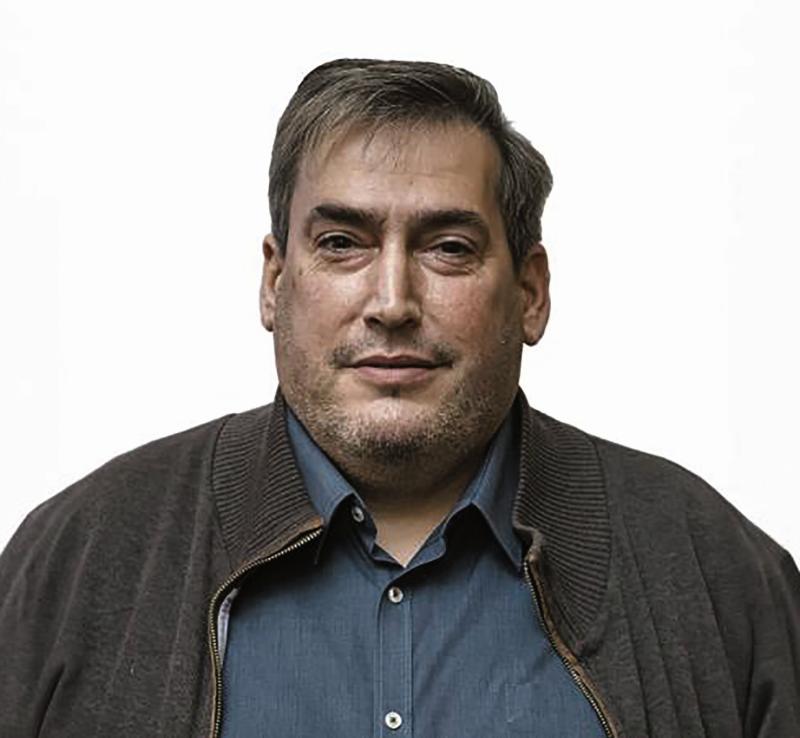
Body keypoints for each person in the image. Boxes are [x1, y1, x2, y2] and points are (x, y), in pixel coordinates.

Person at [1, 58, 798, 738]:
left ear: (530, 292)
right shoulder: (77, 562)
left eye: (448, 248)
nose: (391, 302)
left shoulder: (718, 575)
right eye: (341, 243)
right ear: (275, 282)